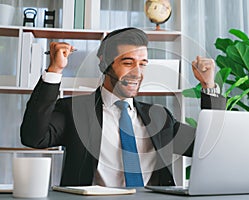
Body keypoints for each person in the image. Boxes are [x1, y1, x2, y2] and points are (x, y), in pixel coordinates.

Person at [20, 27, 226, 187]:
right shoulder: (76, 110)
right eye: (128, 62)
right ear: (104, 63)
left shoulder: (159, 116)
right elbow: (33, 137)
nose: (137, 72)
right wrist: (54, 70)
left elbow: (208, 147)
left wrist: (208, 86)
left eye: (143, 63)